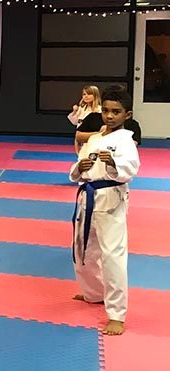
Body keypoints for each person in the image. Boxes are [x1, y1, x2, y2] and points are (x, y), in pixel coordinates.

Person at [70, 86, 140, 336]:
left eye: (116, 112)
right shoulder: (94, 139)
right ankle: (94, 292)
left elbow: (130, 169)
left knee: (112, 256)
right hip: (87, 197)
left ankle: (117, 315)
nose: (109, 116)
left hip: (111, 199)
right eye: (106, 111)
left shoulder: (126, 140)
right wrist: (80, 168)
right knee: (83, 250)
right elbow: (77, 170)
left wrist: (113, 163)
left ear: (127, 114)